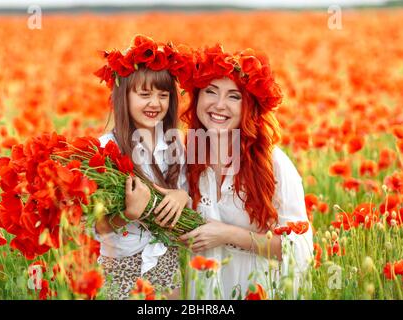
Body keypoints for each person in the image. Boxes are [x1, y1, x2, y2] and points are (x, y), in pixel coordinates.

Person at [178, 45, 313, 299]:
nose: (219, 105)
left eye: (234, 96)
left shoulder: (273, 164)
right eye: (211, 92)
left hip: (256, 289)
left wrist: (228, 234)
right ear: (197, 97)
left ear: (248, 106)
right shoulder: (184, 158)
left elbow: (298, 248)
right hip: (203, 294)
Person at [92, 35, 190, 300]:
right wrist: (129, 213)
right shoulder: (105, 150)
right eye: (144, 94)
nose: (155, 103)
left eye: (163, 95)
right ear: (124, 96)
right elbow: (96, 225)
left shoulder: (176, 144)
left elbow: (182, 205)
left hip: (165, 260)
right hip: (120, 266)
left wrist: (183, 196)